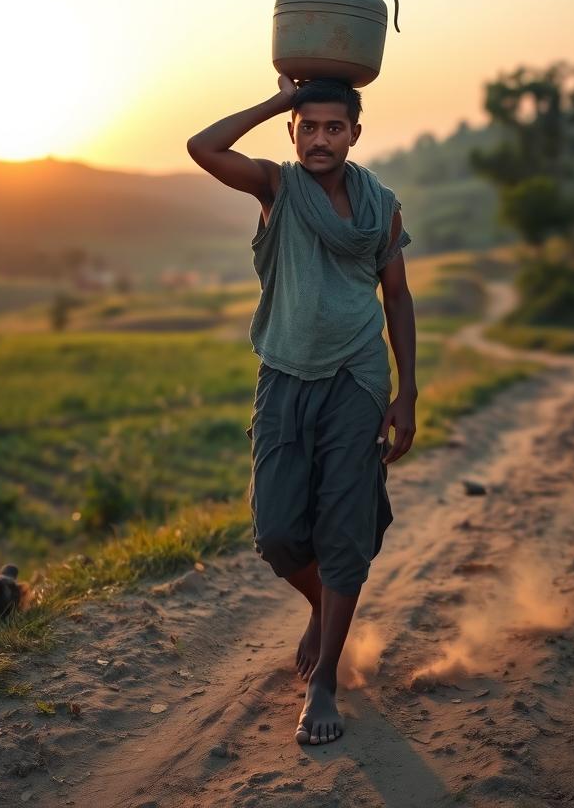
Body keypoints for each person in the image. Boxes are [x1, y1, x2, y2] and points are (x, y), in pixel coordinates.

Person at [186, 75, 417, 746]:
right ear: (292, 131)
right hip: (285, 377)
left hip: (357, 378)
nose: (320, 139)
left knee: (342, 526)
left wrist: (406, 392)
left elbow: (397, 298)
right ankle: (324, 606)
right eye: (307, 126)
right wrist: (277, 99)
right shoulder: (275, 188)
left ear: (355, 133)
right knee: (280, 531)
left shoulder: (382, 208)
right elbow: (202, 146)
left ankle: (324, 682)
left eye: (333, 127)